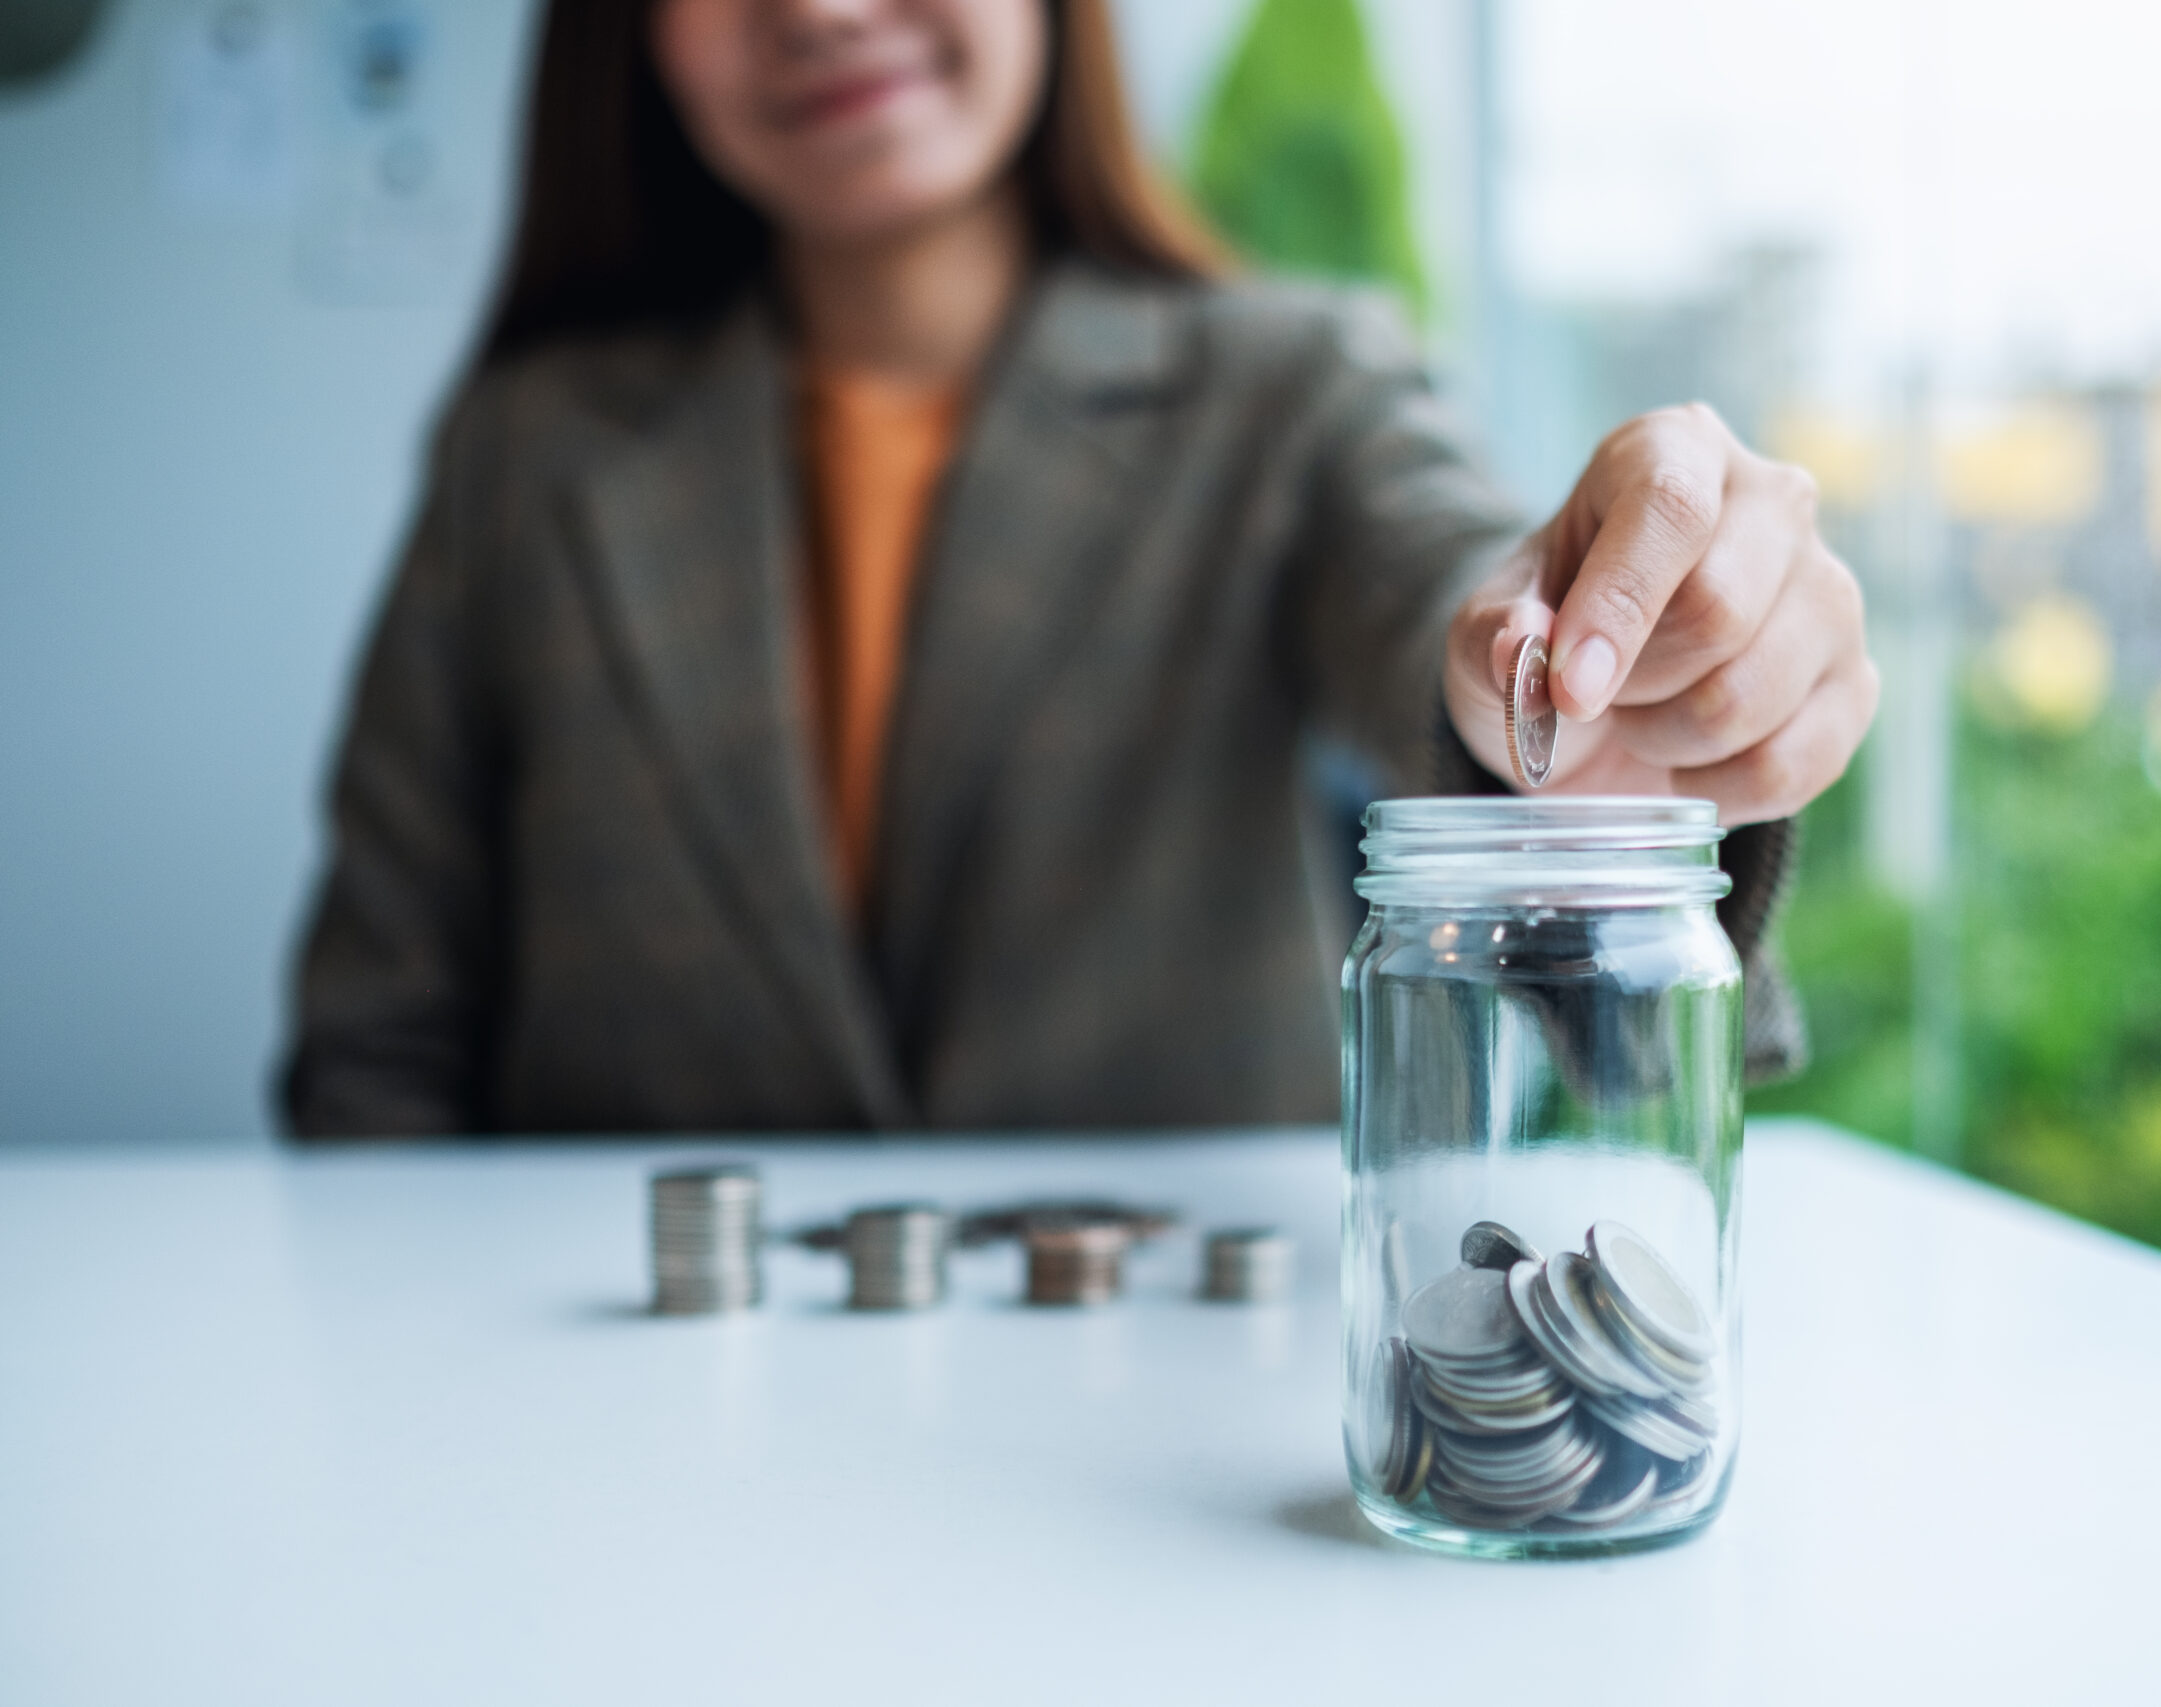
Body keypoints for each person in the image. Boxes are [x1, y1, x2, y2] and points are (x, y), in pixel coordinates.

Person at [283, 0, 1877, 1136]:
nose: (823, 11)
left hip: (1142, 1462)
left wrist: (1576, 670)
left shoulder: (1289, 387)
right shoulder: (527, 458)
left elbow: (1434, 586)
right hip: (612, 1450)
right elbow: (376, 1041)